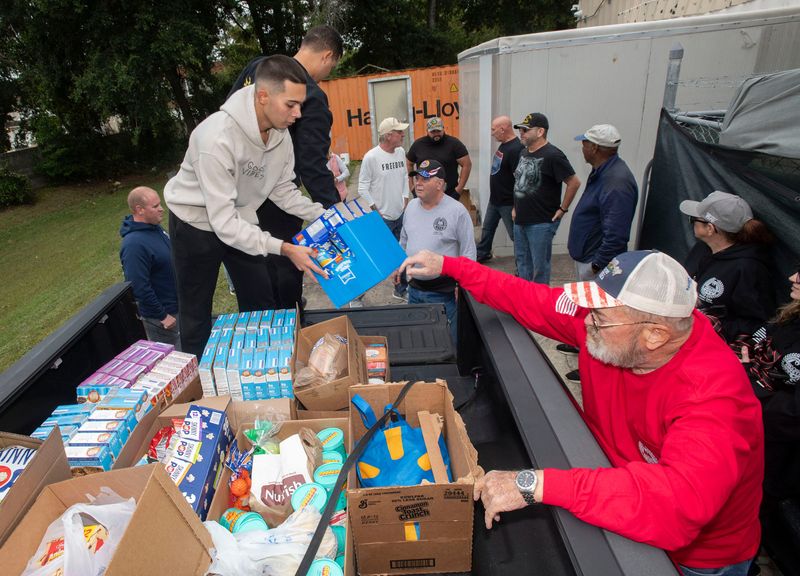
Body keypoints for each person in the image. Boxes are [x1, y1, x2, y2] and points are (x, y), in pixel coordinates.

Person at [399, 248, 763, 575]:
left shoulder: (714, 400)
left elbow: (675, 506)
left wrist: (534, 484)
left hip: (695, 558)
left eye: (600, 318)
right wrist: (451, 266)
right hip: (613, 479)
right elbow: (533, 299)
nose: (586, 322)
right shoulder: (617, 328)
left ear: (655, 335)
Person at [165, 55, 326, 358]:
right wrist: (286, 248)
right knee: (196, 311)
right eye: (291, 104)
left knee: (260, 299)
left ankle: (262, 370)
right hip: (195, 225)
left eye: (300, 105)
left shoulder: (280, 134)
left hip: (239, 218)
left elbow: (282, 190)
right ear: (263, 96)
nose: (298, 113)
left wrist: (326, 214)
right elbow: (222, 223)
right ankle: (197, 385)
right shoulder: (215, 139)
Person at [228, 25, 343, 309]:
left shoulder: (257, 68)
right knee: (284, 277)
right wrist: (334, 214)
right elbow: (312, 164)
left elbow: (229, 113)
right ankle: (288, 328)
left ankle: (260, 333)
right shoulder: (312, 96)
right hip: (277, 205)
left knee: (251, 280)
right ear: (328, 56)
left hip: (238, 194)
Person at [559, 124, 638, 381]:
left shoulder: (616, 181)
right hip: (587, 256)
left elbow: (616, 232)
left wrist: (598, 264)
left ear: (594, 147)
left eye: (584, 143)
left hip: (597, 262)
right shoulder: (602, 171)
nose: (581, 147)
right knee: (585, 310)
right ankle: (579, 344)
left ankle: (591, 365)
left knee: (599, 317)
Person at [738, 265, 800, 561]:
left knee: (755, 506)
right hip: (748, 425)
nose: (792, 277)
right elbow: (751, 344)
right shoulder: (790, 314)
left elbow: (792, 412)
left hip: (776, 449)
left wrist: (751, 397)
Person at [679, 190, 776, 343]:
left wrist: (708, 324)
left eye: (693, 219)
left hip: (711, 343)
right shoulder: (701, 249)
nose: (691, 222)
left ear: (710, 228)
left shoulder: (748, 268)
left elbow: (758, 324)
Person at [396, 160, 476, 344]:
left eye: (424, 178)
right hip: (414, 290)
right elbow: (404, 241)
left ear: (440, 184)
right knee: (417, 338)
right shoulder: (411, 208)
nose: (418, 183)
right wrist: (398, 267)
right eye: (417, 178)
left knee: (446, 342)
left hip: (444, 293)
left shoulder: (457, 212)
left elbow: (468, 253)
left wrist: (462, 286)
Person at [512, 113, 581, 284]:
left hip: (540, 223)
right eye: (520, 129)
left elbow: (574, 182)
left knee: (539, 267)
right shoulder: (523, 153)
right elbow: (520, 183)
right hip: (520, 220)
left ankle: (539, 305)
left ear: (540, 131)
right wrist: (515, 207)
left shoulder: (553, 155)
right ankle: (524, 301)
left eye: (526, 130)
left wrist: (563, 209)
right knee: (522, 264)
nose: (521, 133)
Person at [356, 117, 411, 305]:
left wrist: (405, 198)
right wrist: (375, 211)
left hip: (400, 213)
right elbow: (362, 187)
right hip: (382, 218)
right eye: (399, 132)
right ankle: (357, 294)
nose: (403, 134)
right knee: (375, 257)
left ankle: (401, 290)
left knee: (401, 254)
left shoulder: (401, 152)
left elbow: (404, 176)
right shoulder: (371, 157)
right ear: (388, 136)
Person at [119, 186, 180, 348]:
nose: (161, 209)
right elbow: (138, 286)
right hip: (165, 319)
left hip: (178, 306)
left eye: (160, 204)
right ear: (139, 210)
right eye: (155, 206)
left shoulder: (155, 229)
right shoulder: (134, 245)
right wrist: (162, 315)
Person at [475, 115, 523, 264]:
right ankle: (482, 254)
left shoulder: (516, 149)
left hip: (508, 202)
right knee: (487, 229)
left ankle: (522, 266)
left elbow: (520, 179)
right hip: (495, 200)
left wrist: (516, 206)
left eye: (493, 129)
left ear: (502, 130)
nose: (491, 133)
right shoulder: (504, 144)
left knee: (516, 235)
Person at [407, 117, 471, 200]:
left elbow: (467, 164)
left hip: (449, 194)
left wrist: (458, 190)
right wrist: (411, 187)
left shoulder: (454, 144)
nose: (436, 134)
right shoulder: (418, 145)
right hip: (425, 196)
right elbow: (409, 163)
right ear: (427, 131)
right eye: (433, 131)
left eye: (438, 131)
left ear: (443, 129)